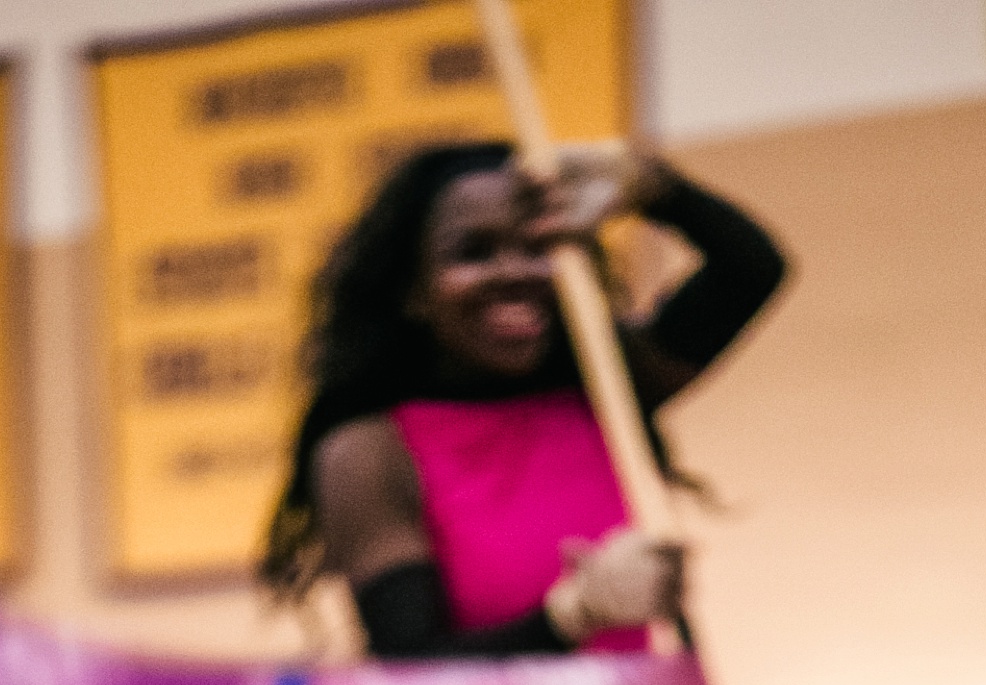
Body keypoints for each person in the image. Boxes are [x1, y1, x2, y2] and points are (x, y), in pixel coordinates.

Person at [261, 138, 787, 657]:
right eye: (474, 253)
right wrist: (574, 613)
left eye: (538, 248)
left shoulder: (604, 387)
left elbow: (752, 270)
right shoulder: (369, 451)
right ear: (412, 292)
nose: (514, 272)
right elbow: (415, 673)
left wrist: (653, 187)